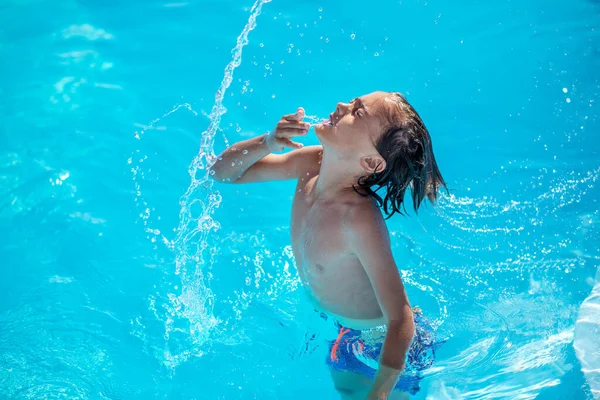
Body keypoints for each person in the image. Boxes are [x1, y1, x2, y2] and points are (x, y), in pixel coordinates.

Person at [209, 91, 446, 399]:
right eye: (353, 102)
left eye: (357, 113)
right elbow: (222, 173)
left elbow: (401, 319)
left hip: (379, 341)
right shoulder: (310, 163)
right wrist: (268, 142)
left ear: (372, 161)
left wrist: (381, 391)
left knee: (348, 389)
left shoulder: (359, 220)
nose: (341, 105)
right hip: (340, 324)